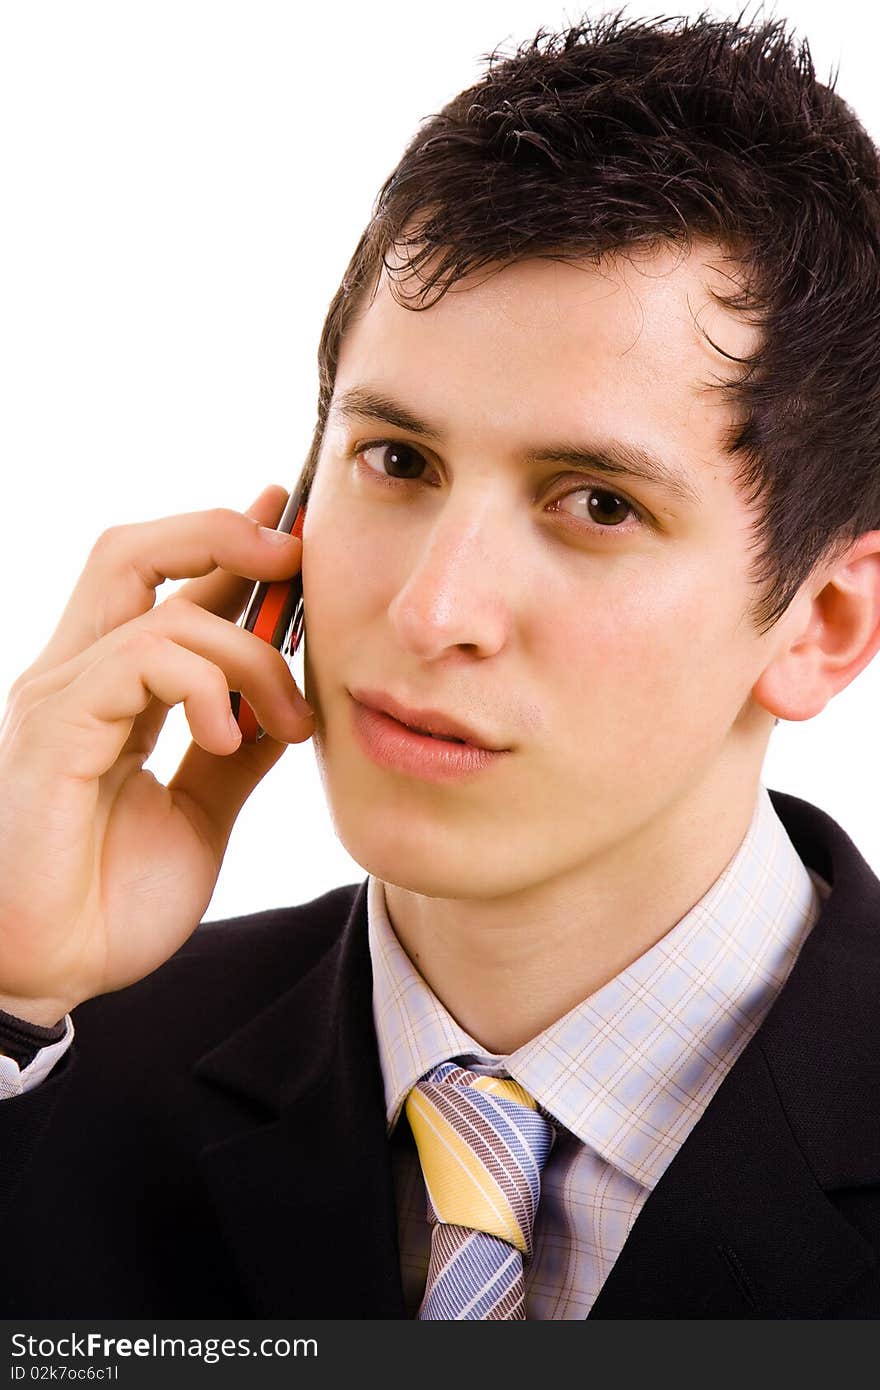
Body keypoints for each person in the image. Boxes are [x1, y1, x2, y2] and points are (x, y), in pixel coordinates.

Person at [1, 8, 880, 1320]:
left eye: (596, 503)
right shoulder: (53, 1067)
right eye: (398, 460)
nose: (432, 608)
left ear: (822, 625)